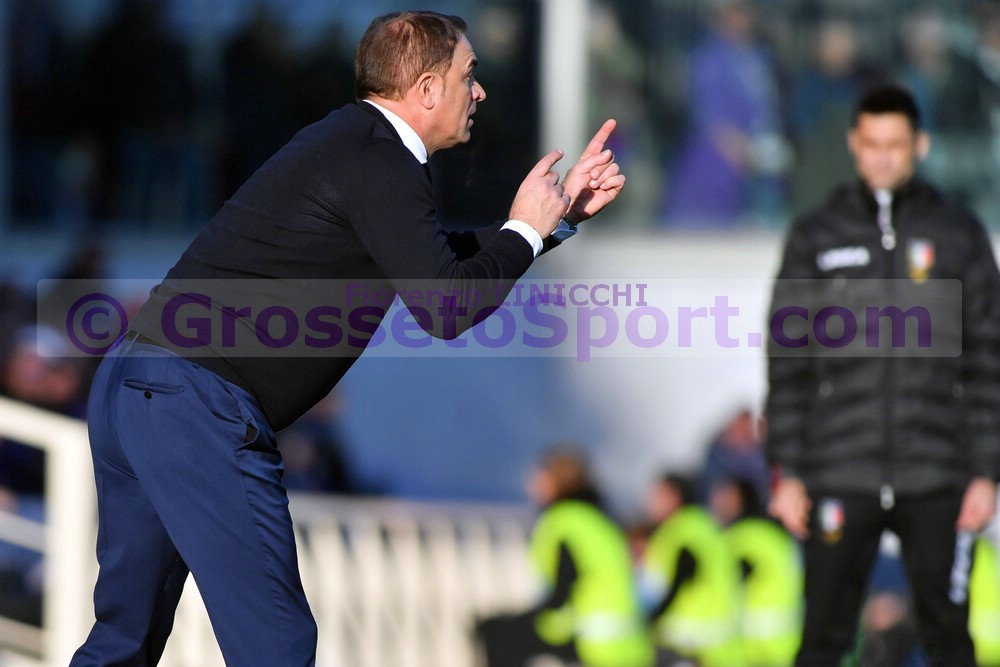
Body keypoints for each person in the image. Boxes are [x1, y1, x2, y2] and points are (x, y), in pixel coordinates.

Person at [69, 11, 625, 665]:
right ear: (426, 89)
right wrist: (526, 231)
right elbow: (445, 305)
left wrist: (547, 224)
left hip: (137, 385)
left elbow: (432, 265)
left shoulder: (356, 143)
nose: (479, 92)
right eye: (468, 74)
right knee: (276, 644)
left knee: (123, 642)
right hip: (197, 402)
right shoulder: (382, 157)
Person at [766, 82, 1000, 667]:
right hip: (840, 466)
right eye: (872, 144)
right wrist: (788, 471)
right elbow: (788, 363)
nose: (883, 158)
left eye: (895, 145)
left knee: (949, 639)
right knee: (822, 637)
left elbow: (988, 360)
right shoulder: (817, 235)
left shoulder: (958, 234)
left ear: (920, 145)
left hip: (936, 470)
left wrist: (985, 472)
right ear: (854, 144)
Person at [475, 447, 654, 667]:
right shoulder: (598, 519)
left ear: (556, 482)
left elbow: (563, 591)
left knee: (496, 631)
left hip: (595, 637)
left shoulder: (563, 521)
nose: (532, 484)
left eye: (540, 477)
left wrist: (518, 619)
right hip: (631, 639)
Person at [641, 473, 742, 667]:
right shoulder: (706, 525)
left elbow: (683, 573)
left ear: (674, 496)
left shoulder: (680, 529)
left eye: (658, 495)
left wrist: (653, 617)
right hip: (718, 639)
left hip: (688, 641)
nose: (651, 502)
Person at [711, 477, 803, 667]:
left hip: (755, 647)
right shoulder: (774, 534)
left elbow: (729, 581)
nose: (718, 502)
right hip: (784, 645)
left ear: (742, 498)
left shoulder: (743, 535)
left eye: (726, 496)